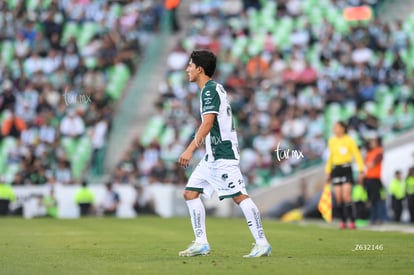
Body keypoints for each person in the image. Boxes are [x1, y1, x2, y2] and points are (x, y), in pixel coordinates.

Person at [177, 50, 271, 258]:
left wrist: (190, 149)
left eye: (190, 65)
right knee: (190, 193)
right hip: (211, 156)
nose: (187, 69)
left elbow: (208, 123)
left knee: (239, 196)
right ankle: (201, 243)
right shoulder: (212, 88)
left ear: (199, 69)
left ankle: (262, 242)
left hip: (223, 155)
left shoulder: (209, 91)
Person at [325, 121, 364, 229]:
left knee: (347, 196)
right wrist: (328, 172)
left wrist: (361, 170)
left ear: (343, 128)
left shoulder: (349, 140)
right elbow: (330, 157)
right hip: (336, 169)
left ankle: (352, 221)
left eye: (336, 127)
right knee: (338, 198)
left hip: (346, 168)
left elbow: (356, 154)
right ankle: (343, 221)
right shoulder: (332, 141)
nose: (334, 129)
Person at [363, 137, 384, 224]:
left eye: (373, 141)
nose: (371, 143)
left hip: (375, 178)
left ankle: (378, 218)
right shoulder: (370, 152)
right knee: (371, 199)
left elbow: (371, 164)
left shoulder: (379, 151)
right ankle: (373, 218)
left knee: (376, 199)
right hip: (369, 178)